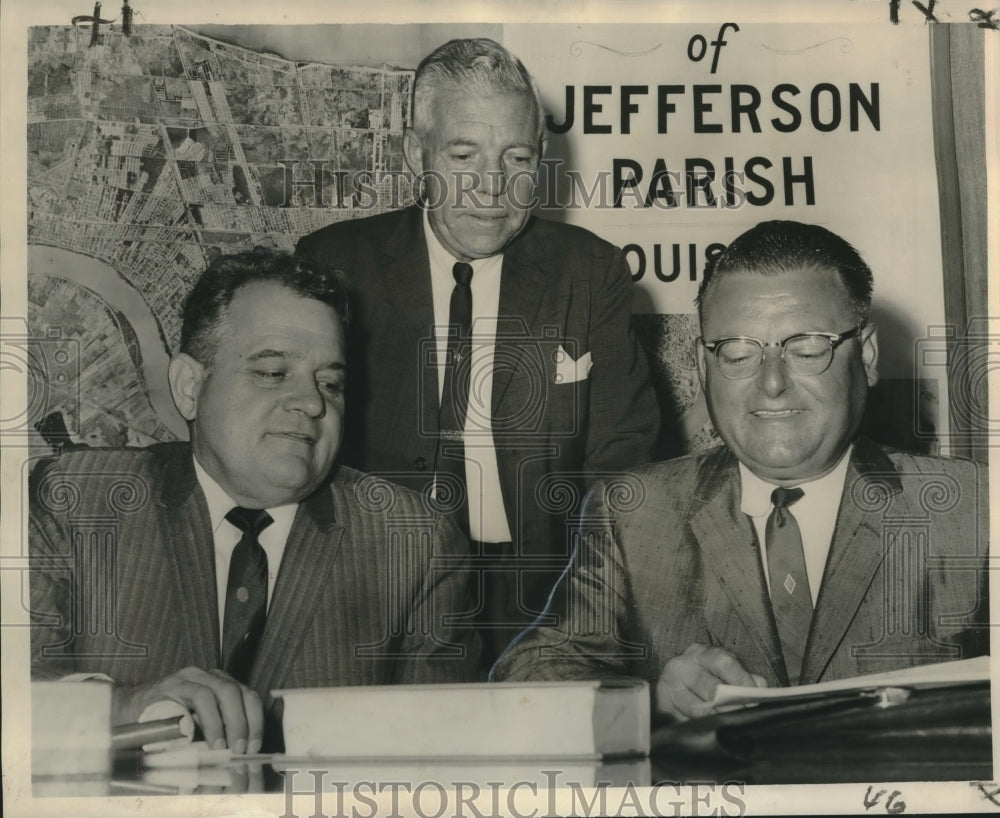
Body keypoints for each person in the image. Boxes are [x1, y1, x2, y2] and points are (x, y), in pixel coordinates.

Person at [492, 220, 989, 720]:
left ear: (869, 355)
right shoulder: (634, 513)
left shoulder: (974, 509)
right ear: (704, 369)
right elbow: (528, 674)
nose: (771, 382)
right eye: (737, 352)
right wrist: (648, 698)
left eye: (807, 348)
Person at [296, 38, 659, 670]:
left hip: (543, 593)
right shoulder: (335, 265)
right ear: (418, 154)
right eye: (464, 155)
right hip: (378, 589)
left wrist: (588, 607)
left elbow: (621, 458)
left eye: (516, 157)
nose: (492, 187)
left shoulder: (590, 271)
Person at [29, 249, 480, 752]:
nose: (312, 403)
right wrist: (125, 709)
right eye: (272, 372)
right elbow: (15, 697)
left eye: (331, 383)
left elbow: (443, 757)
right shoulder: (74, 502)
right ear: (189, 386)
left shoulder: (414, 543)